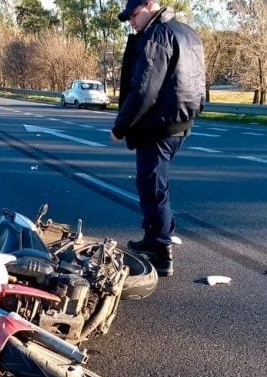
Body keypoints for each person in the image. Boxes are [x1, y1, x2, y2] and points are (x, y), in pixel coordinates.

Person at [110, 0, 205, 277]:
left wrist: (121, 126)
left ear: (151, 5)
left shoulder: (158, 35)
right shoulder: (187, 32)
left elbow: (144, 89)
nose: (131, 21)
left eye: (134, 14)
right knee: (157, 184)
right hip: (182, 121)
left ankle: (160, 251)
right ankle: (153, 238)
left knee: (152, 187)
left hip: (158, 124)